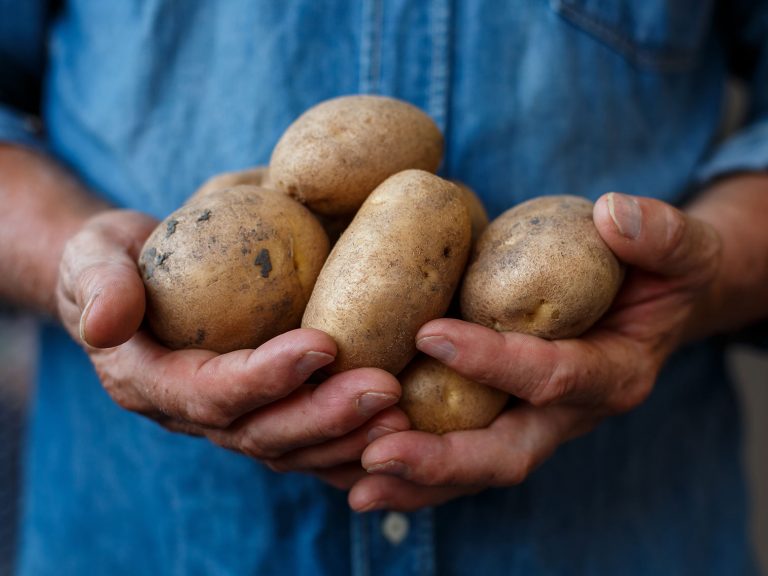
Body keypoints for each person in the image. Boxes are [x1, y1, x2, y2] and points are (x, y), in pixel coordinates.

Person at [1, 1, 767, 574]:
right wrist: (71, 253)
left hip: (617, 524)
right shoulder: (326, 191)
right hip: (148, 533)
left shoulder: (427, 207)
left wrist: (708, 276)